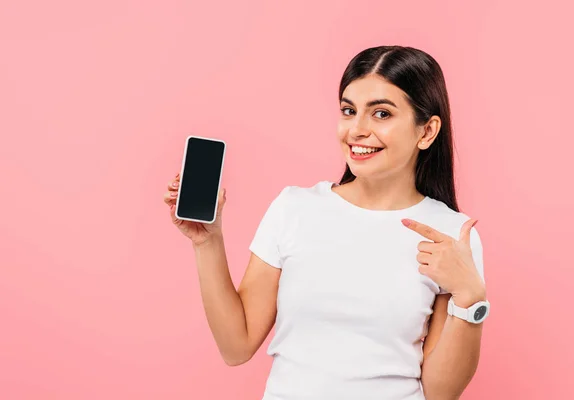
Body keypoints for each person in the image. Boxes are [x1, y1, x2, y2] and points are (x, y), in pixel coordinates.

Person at [163, 45, 489, 400]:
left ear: (426, 132)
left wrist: (469, 297)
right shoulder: (295, 208)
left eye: (381, 113)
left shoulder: (452, 235)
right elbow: (236, 346)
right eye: (349, 111)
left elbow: (441, 393)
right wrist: (206, 242)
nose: (357, 130)